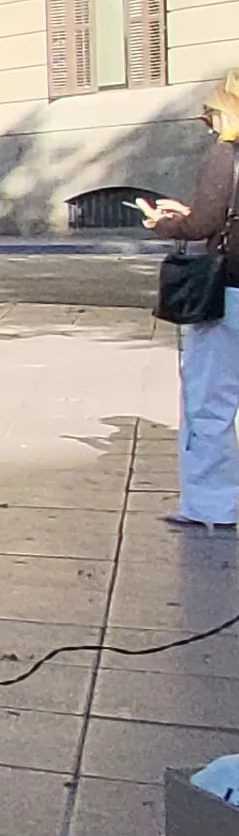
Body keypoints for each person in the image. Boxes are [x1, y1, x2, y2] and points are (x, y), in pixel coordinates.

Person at [142, 73, 239, 527]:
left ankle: (211, 506)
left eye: (211, 114)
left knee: (210, 402)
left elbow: (202, 225)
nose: (209, 124)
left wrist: (165, 223)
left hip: (229, 296)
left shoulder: (226, 156)